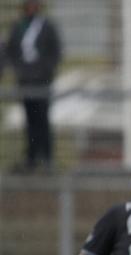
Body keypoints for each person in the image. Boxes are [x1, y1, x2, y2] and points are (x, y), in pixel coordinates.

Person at [4, 0, 62, 172]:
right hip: (25, 82)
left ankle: (46, 158)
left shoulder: (47, 26)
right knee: (30, 122)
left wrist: (45, 71)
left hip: (42, 82)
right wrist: (20, 71)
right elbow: (11, 51)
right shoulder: (18, 26)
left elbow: (55, 51)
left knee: (42, 119)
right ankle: (31, 158)